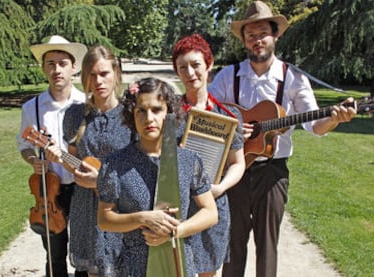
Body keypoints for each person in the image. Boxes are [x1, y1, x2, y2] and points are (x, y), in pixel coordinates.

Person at [208, 2, 357, 277]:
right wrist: (232, 128)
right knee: (233, 243)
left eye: (263, 33)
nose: (257, 40)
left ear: (275, 36)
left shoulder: (293, 78)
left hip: (272, 173)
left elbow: (314, 126)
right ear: (244, 41)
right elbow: (207, 111)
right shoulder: (228, 76)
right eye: (250, 35)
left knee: (267, 246)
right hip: (233, 171)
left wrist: (335, 118)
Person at [97, 77, 218, 277]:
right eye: (141, 111)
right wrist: (141, 218)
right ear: (131, 116)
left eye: (156, 109)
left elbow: (210, 212)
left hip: (179, 262)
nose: (149, 118)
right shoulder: (115, 165)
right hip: (134, 267)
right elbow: (104, 218)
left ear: (169, 113)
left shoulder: (189, 160)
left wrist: (175, 231)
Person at [45, 45, 133, 277]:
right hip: (86, 206)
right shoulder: (75, 115)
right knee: (93, 271)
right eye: (92, 75)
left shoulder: (132, 114)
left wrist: (102, 180)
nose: (98, 81)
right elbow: (75, 161)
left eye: (104, 73)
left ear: (116, 73)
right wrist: (60, 156)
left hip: (121, 205)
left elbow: (141, 165)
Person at [172, 33, 246, 277]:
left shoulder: (228, 116)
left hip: (213, 205)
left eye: (196, 65)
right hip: (176, 206)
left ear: (209, 65)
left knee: (207, 272)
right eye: (183, 68)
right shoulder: (169, 115)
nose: (190, 73)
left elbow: (238, 162)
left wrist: (220, 187)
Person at [17, 35, 88, 277]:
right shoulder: (32, 108)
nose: (56, 69)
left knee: (83, 256)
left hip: (82, 190)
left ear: (73, 67)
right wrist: (33, 161)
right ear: (43, 68)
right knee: (55, 255)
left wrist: (65, 157)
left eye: (62, 63)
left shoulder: (87, 104)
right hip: (49, 193)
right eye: (51, 64)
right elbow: (23, 144)